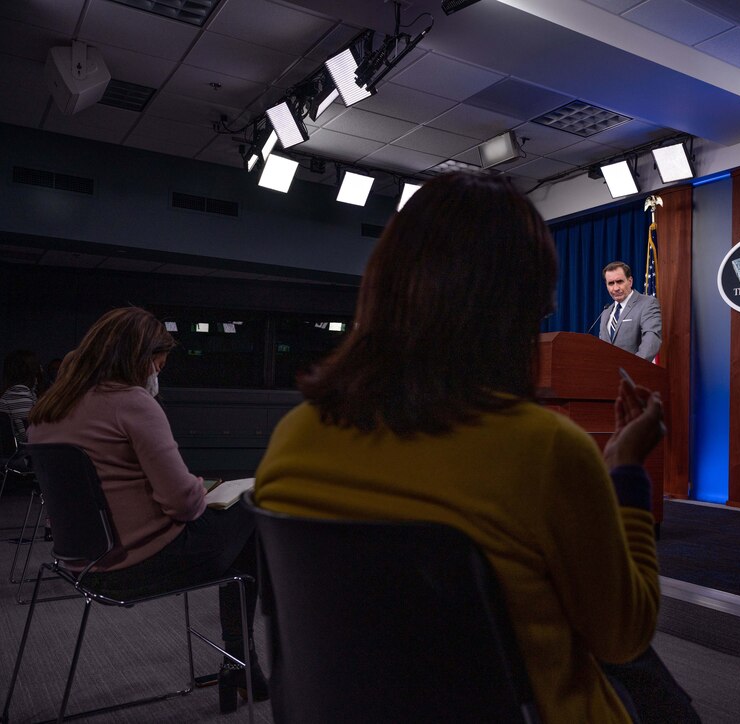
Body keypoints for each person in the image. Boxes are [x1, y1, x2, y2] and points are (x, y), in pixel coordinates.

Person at [254, 172, 698, 723]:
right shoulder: (545, 451)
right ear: (520, 306)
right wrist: (626, 472)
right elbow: (623, 635)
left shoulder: (295, 435)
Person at [27, 307, 267, 713]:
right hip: (139, 565)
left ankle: (242, 664)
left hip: (80, 565)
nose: (159, 372)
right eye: (159, 362)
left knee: (239, 541)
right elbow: (184, 504)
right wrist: (196, 488)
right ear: (139, 357)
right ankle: (242, 661)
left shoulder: (47, 410)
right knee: (254, 509)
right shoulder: (132, 402)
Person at [598, 262, 662, 361]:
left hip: (634, 374)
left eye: (620, 282)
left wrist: (633, 368)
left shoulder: (647, 304)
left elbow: (651, 340)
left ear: (630, 281)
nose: (615, 288)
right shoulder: (606, 312)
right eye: (611, 283)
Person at [1, 349, 41, 444]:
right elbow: (28, 436)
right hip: (23, 455)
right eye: (37, 366)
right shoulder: (18, 395)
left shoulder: (22, 393)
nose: (41, 369)